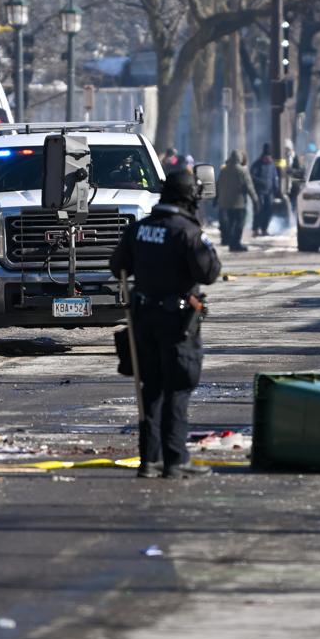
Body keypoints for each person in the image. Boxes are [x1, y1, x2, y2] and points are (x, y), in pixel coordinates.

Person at [112, 169, 222, 480]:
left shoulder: (139, 229)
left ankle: (150, 460)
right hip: (177, 322)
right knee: (178, 386)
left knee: (152, 387)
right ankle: (176, 460)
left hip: (144, 319)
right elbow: (209, 273)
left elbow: (118, 266)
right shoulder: (187, 232)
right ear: (189, 198)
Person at [214, 151, 256, 253]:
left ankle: (228, 240)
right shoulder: (242, 171)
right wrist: (255, 200)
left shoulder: (224, 170)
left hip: (225, 203)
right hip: (239, 203)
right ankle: (235, 243)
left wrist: (215, 198)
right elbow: (249, 186)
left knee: (229, 223)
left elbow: (218, 185)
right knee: (239, 224)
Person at [249, 145, 281, 237]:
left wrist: (276, 188)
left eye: (269, 157)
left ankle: (264, 229)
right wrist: (261, 182)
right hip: (259, 192)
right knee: (259, 210)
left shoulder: (272, 165)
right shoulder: (257, 164)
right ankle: (255, 229)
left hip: (269, 193)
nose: (268, 159)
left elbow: (274, 177)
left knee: (268, 211)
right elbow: (252, 177)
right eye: (266, 157)